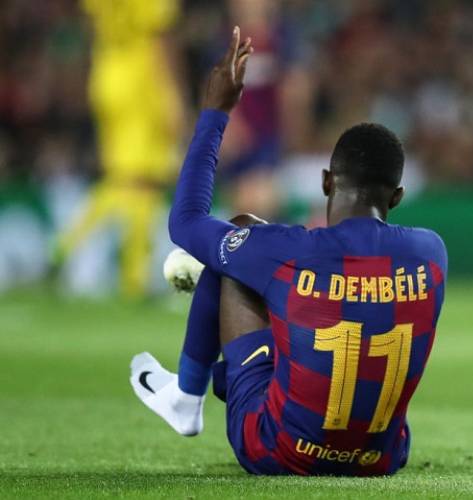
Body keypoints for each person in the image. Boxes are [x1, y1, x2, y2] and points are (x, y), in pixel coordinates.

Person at [130, 27, 447, 476]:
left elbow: (185, 222)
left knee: (236, 243)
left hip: (278, 451)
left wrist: (214, 114)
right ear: (396, 197)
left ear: (326, 182)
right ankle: (208, 382)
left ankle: (187, 394)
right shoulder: (431, 254)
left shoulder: (287, 252)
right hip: (379, 459)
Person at [55, 0, 183, 297]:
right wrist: (173, 96)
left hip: (106, 76)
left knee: (128, 180)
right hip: (141, 80)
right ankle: (70, 247)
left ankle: (131, 278)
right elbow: (160, 39)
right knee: (142, 181)